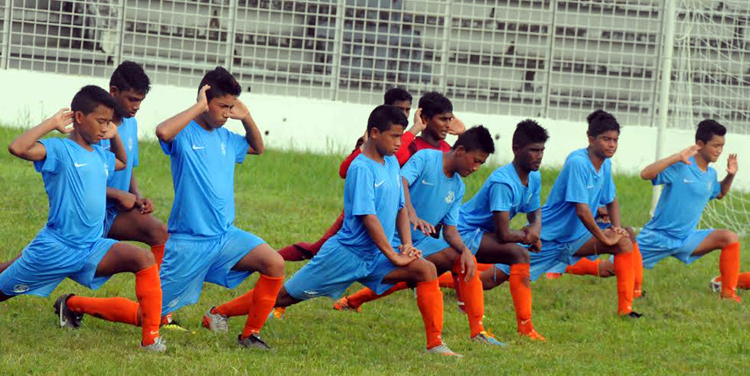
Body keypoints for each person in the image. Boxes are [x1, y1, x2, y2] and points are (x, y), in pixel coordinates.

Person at [271, 105, 462, 356]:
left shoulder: (393, 162)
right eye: (395, 136)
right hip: (349, 253)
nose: (399, 142)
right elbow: (368, 218)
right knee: (286, 296)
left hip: (377, 255)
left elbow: (400, 207)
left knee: (425, 269)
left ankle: (435, 343)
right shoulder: (361, 166)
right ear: (374, 132)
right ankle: (222, 312)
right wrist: (394, 255)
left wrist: (405, 244)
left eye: (401, 135)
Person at [2, 86, 164, 351]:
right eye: (101, 121)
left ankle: (151, 340)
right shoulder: (60, 150)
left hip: (91, 247)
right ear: (78, 117)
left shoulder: (100, 154)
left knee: (143, 258)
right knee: (4, 286)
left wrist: (114, 137)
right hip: (56, 249)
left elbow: (123, 161)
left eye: (109, 123)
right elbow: (17, 147)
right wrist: (52, 123)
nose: (105, 128)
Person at [334, 126, 505, 345]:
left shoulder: (458, 187)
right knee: (411, 273)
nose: (476, 168)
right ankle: (299, 300)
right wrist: (411, 212)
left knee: (459, 261)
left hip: (421, 243)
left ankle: (477, 332)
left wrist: (465, 252)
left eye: (481, 163)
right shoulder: (426, 158)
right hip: (389, 237)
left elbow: (450, 231)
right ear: (461, 150)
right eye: (476, 160)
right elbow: (401, 182)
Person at [154, 66, 285, 349]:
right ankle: (75, 304)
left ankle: (249, 335)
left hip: (226, 237)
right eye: (222, 106)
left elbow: (258, 148)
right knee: (147, 315)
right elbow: (162, 131)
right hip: (190, 241)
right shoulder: (184, 133)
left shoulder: (226, 138)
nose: (227, 113)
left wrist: (246, 117)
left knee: (274, 263)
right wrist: (197, 107)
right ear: (204, 100)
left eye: (231, 107)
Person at [456, 119, 549, 340]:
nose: (539, 156)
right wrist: (528, 237)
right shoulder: (503, 182)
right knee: (518, 253)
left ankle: (526, 327)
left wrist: (535, 229)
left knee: (448, 270)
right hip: (464, 231)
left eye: (542, 150)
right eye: (534, 150)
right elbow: (504, 234)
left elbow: (535, 212)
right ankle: (525, 328)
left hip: (482, 233)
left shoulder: (534, 176)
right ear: (516, 150)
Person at [637, 119, 746, 302]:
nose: (719, 150)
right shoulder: (681, 166)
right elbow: (645, 174)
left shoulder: (710, 174)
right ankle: (571, 265)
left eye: (722, 146)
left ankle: (727, 294)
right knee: (610, 269)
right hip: (658, 237)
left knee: (729, 238)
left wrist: (730, 175)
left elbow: (719, 193)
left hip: (687, 238)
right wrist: (677, 157)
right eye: (715, 145)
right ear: (700, 144)